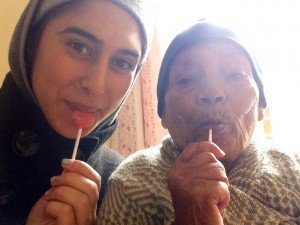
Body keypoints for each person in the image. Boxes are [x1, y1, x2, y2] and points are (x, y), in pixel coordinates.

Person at [97, 20, 300, 225]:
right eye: (187, 80)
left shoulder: (292, 167)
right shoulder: (133, 182)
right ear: (163, 113)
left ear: (260, 107)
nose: (212, 93)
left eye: (235, 75)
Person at [0, 0, 154, 224]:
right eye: (79, 47)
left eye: (122, 63)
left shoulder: (125, 186)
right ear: (31, 43)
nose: (97, 85)